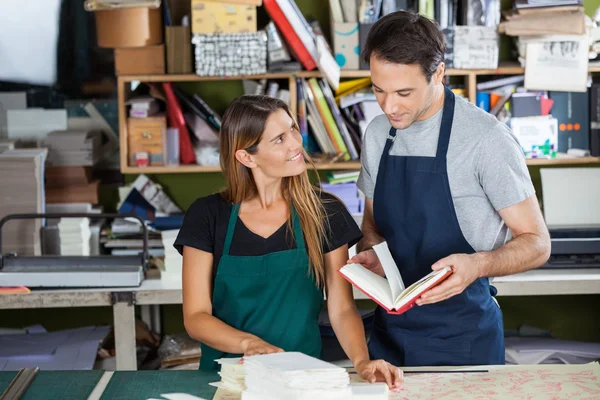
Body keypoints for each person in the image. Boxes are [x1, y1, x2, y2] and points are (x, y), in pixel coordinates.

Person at [348, 11, 551, 367]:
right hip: (389, 338)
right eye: (378, 90)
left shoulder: (486, 139)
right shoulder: (379, 134)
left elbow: (537, 243)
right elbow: (372, 226)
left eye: (404, 92)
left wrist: (478, 265)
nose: (389, 106)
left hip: (464, 339)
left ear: (438, 73)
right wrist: (374, 255)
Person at [175, 95, 402, 388]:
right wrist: (250, 344)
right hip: (228, 380)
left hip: (302, 379)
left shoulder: (326, 212)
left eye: (293, 129)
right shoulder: (207, 215)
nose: (296, 144)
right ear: (246, 157)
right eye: (280, 139)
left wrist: (361, 362)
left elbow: (341, 308)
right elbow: (195, 316)